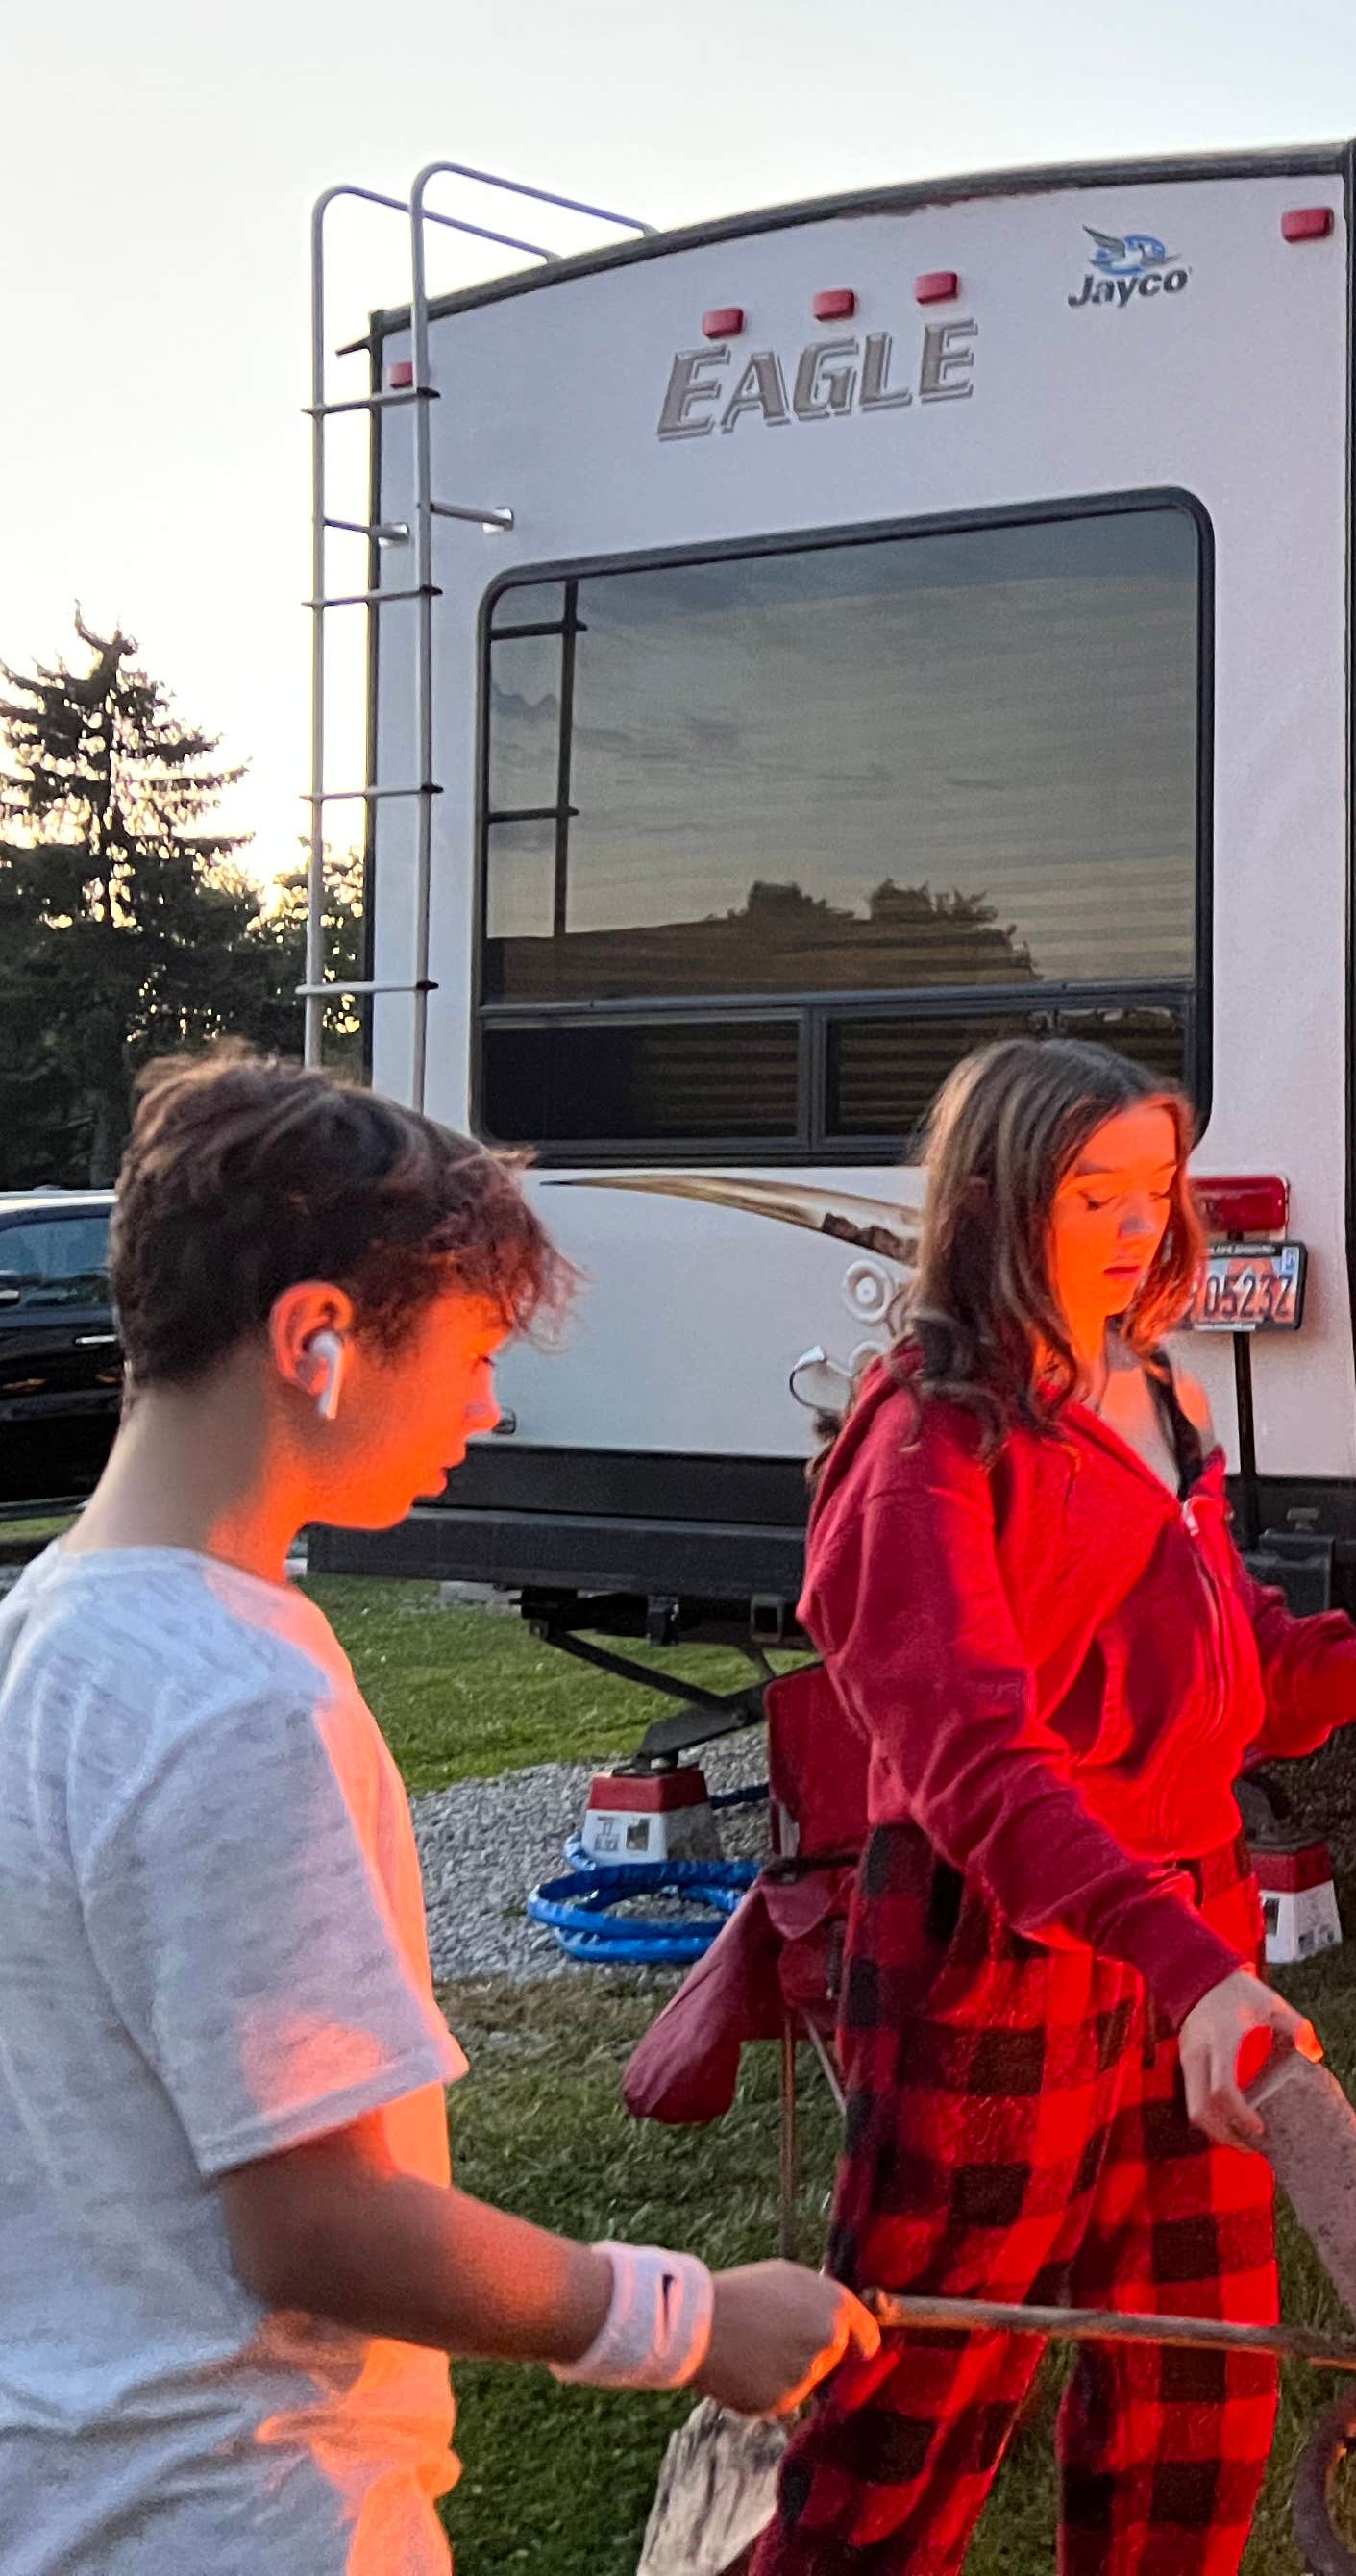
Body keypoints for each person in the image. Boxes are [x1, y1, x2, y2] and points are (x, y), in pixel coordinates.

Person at [0, 1049, 875, 2576]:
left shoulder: (47, 1631)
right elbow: (317, 2228)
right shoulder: (236, 1698)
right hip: (243, 2510)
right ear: (317, 1340)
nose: (490, 1398)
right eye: (471, 1349)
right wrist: (693, 2319)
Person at [755, 1038, 1356, 2576]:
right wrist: (1185, 1964)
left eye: (1155, 1190)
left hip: (1191, 1922)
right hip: (1001, 1953)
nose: (1133, 1226)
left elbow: (1217, 1643)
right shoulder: (927, 1440)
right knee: (915, 2409)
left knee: (1198, 2401)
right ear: (991, 1201)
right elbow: (978, 1767)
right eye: (1091, 1192)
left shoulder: (1156, 1393)